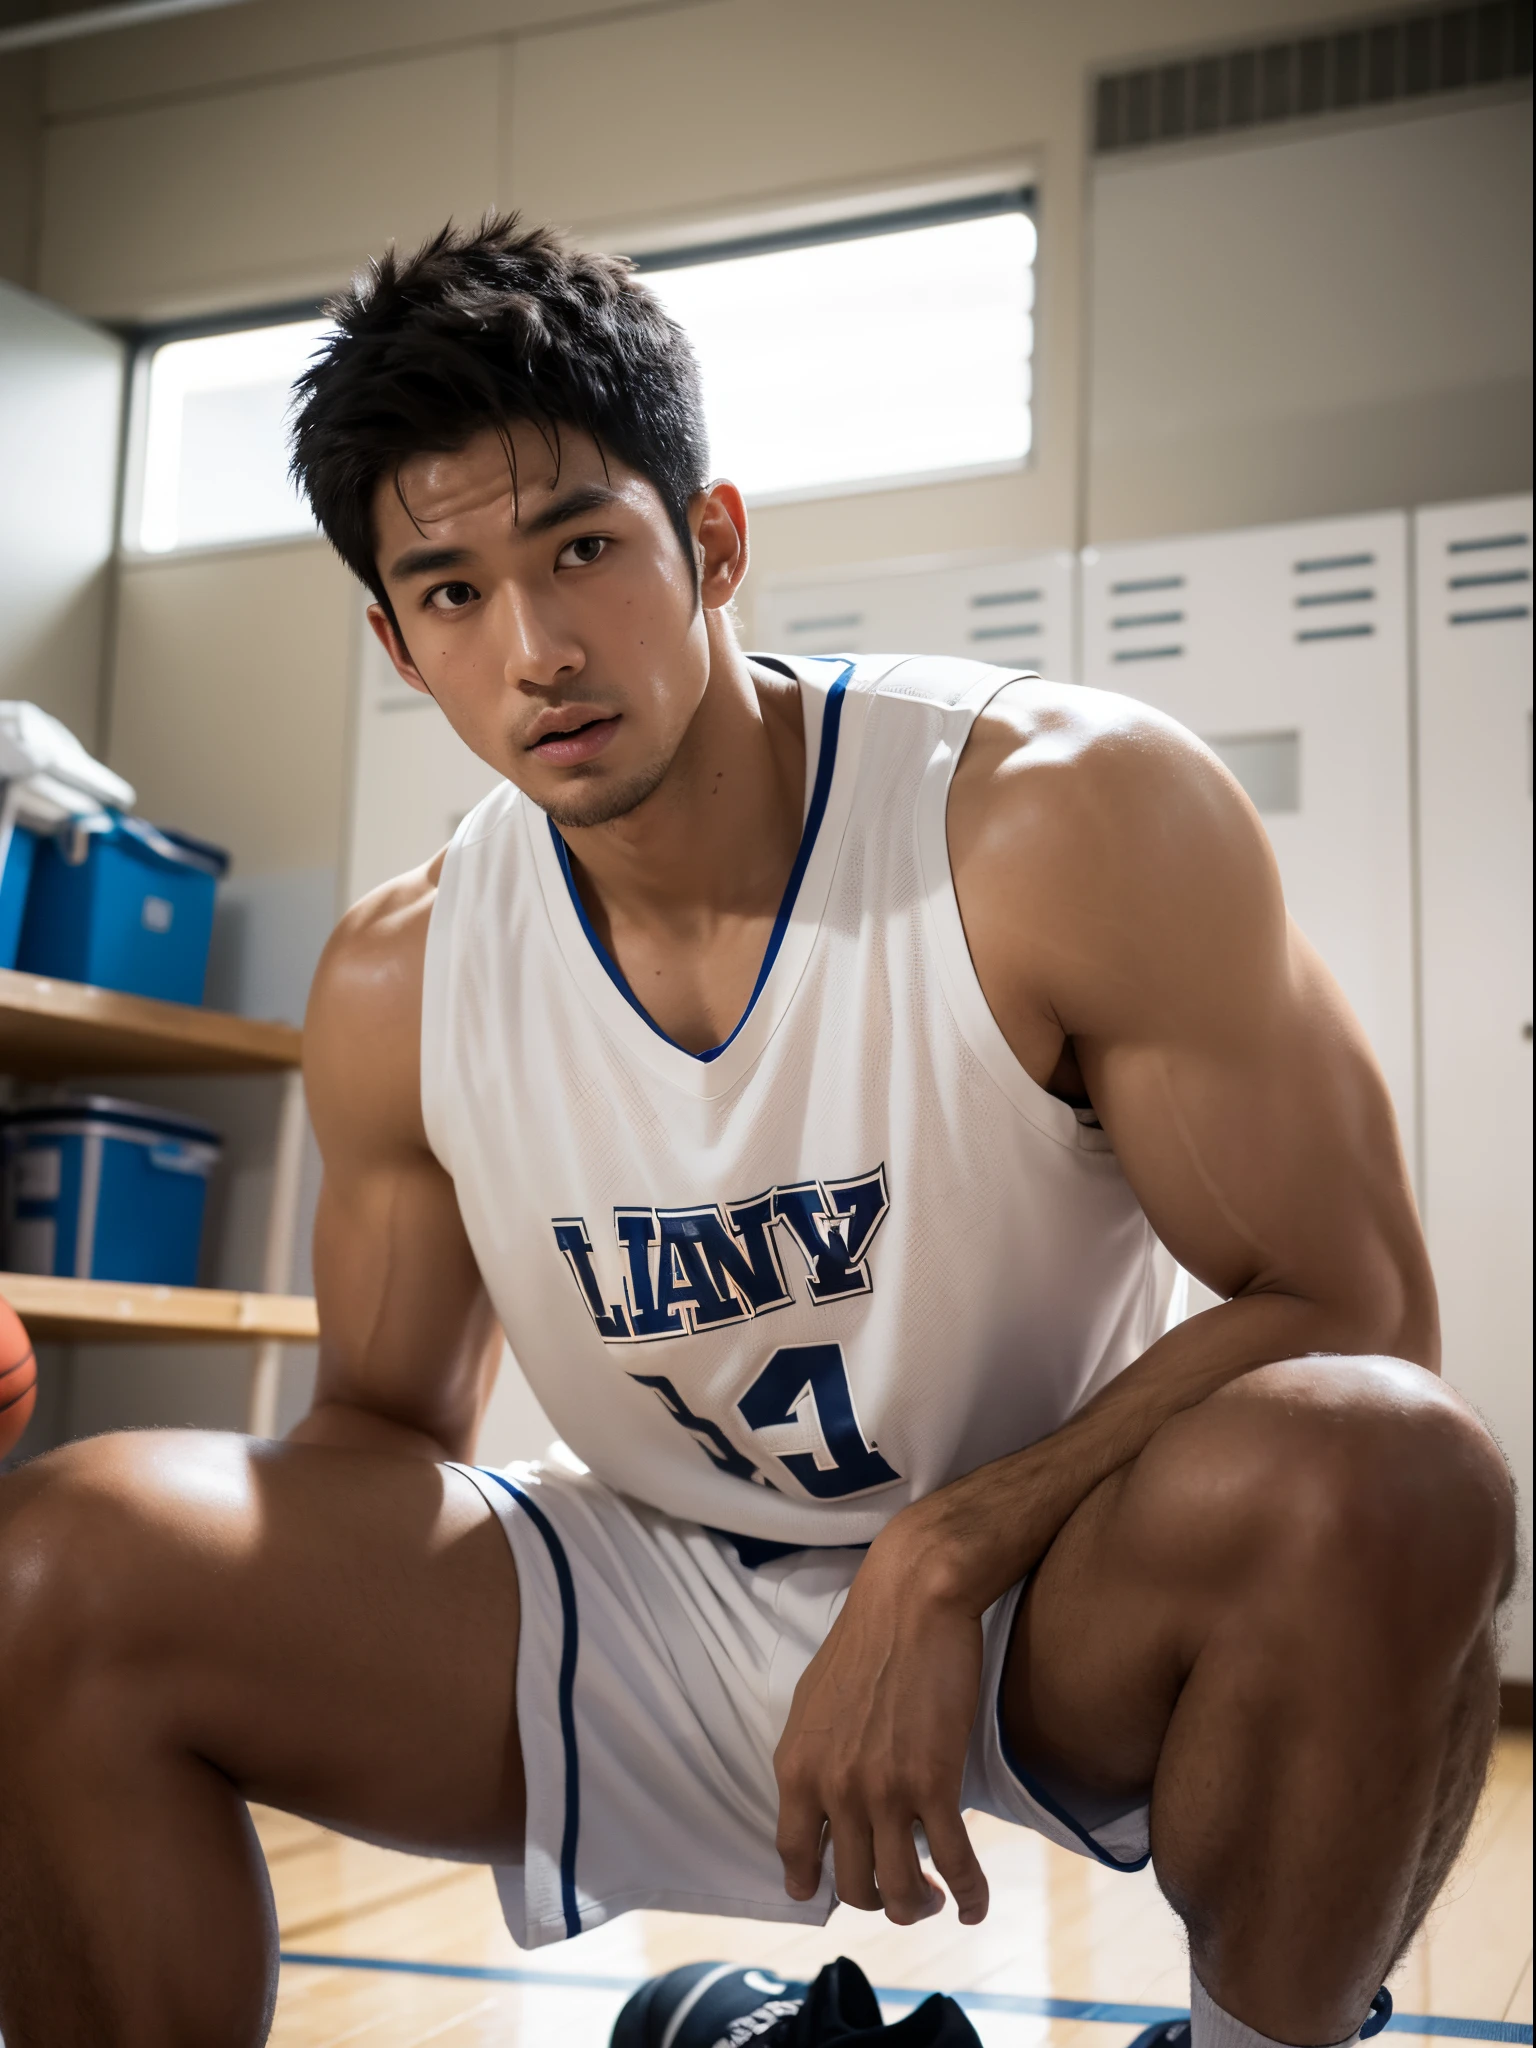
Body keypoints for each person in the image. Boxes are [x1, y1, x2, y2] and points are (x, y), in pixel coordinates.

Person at [0, 214, 1515, 2048]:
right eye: (457, 592)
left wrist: (946, 1551)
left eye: (582, 549)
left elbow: (1363, 1312)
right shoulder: (401, 979)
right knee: (59, 1566)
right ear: (399, 644)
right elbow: (381, 1438)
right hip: (642, 1601)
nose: (539, 647)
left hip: (1058, 1598)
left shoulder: (1058, 822)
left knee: (1396, 1463)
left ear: (711, 543)